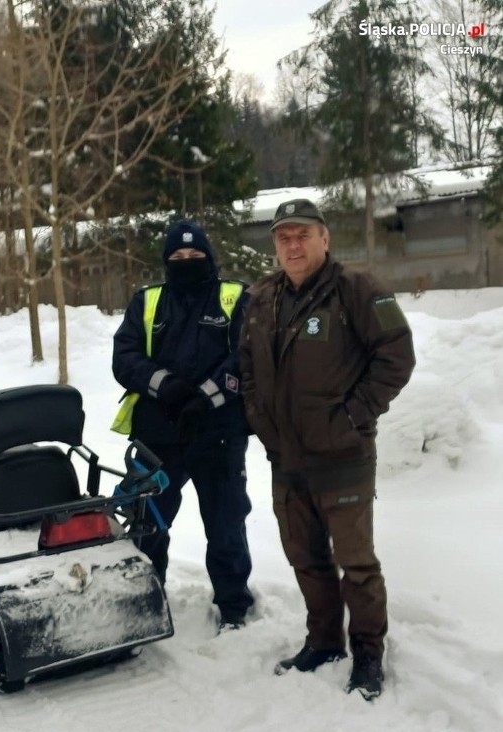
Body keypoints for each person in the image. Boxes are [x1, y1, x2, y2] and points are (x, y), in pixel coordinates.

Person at [239, 198, 415, 700]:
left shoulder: (357, 290)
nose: (293, 245)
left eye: (303, 235)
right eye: (283, 237)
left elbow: (396, 356)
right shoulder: (264, 296)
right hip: (287, 458)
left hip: (342, 456)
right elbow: (249, 366)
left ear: (324, 239)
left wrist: (354, 415)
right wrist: (259, 417)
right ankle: (323, 642)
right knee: (305, 557)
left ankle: (367, 655)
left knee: (356, 562)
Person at [112, 219, 255, 631]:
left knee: (226, 522)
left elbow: (245, 357)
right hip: (159, 432)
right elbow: (125, 357)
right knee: (147, 519)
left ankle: (233, 608)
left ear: (209, 258)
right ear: (165, 262)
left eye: (195, 257)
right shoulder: (147, 301)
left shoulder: (235, 297)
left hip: (218, 431)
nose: (187, 262)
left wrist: (205, 396)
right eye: (177, 257)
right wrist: (167, 386)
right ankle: (143, 596)